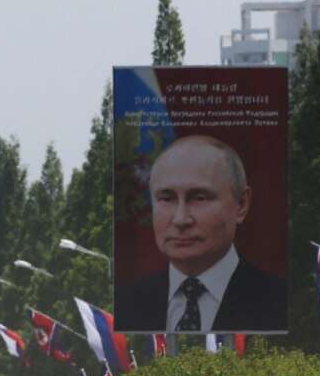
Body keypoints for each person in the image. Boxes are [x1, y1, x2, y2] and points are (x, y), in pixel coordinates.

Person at [115, 135, 286, 332]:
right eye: (167, 198)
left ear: (241, 204)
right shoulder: (126, 305)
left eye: (199, 198)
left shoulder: (279, 303)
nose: (180, 219)